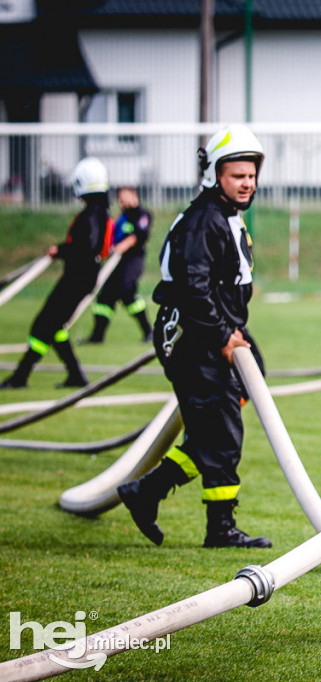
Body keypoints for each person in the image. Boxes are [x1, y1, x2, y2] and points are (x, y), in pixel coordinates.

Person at [117, 124, 272, 549]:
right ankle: (212, 523)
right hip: (194, 339)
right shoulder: (205, 220)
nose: (247, 183)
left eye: (251, 175)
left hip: (210, 332)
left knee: (221, 421)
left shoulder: (223, 216)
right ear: (215, 175)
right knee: (220, 433)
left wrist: (232, 330)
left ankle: (148, 493)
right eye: (237, 175)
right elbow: (193, 286)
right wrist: (223, 333)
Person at [0, 157, 111, 389]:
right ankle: (74, 375)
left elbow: (85, 248)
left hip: (77, 279)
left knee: (43, 325)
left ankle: (21, 377)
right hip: (80, 278)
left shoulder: (91, 215)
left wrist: (60, 250)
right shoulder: (99, 213)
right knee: (53, 326)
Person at [84, 186, 153, 344]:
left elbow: (139, 235)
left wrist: (123, 246)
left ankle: (149, 331)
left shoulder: (142, 214)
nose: (120, 201)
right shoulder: (122, 217)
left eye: (123, 197)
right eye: (119, 198)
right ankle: (97, 336)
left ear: (133, 195)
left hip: (133, 260)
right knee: (105, 298)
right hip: (116, 262)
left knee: (126, 290)